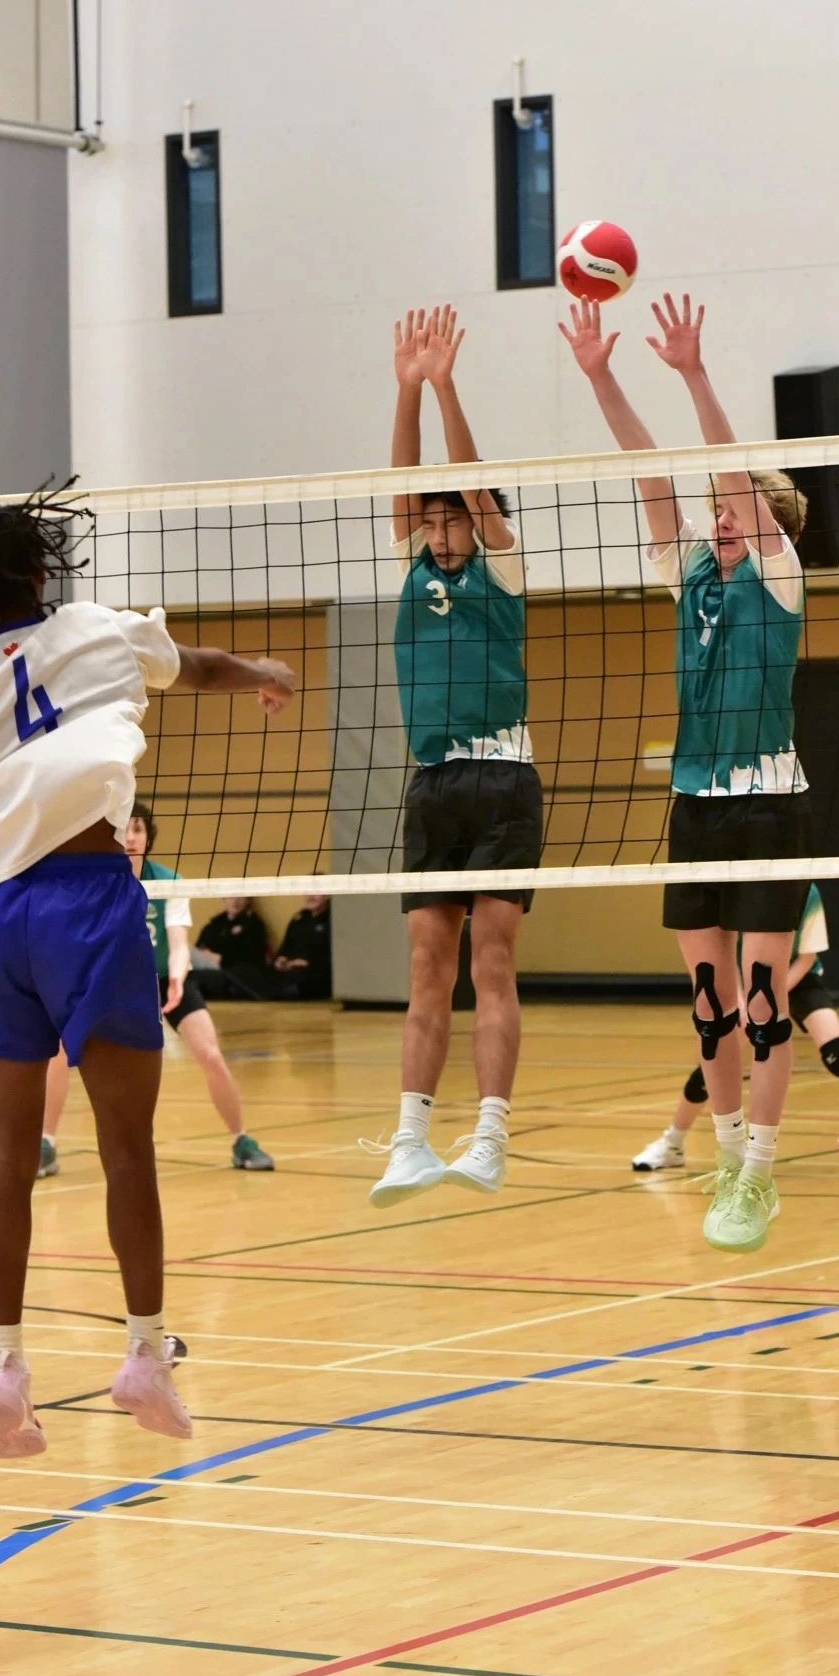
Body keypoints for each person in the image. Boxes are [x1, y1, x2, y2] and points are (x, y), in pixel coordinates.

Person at [0, 488, 294, 1458]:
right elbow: (200, 665)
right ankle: (143, 1356)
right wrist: (264, 671)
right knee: (128, 1148)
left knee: (6, 1153)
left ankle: (2, 1366)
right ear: (44, 571)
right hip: (88, 903)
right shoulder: (98, 630)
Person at [562, 292, 807, 1253]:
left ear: (768, 524)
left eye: (736, 511)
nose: (720, 519)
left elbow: (725, 469)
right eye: (717, 513)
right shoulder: (690, 573)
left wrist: (695, 373)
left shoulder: (778, 575)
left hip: (770, 803)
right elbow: (647, 470)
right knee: (710, 1004)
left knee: (764, 999)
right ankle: (727, 1155)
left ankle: (760, 1171)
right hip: (695, 803)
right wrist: (599, 375)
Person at [367, 304, 541, 1208]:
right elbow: (402, 484)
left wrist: (444, 385)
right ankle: (409, 1141)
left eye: (454, 519)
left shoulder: (501, 569)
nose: (439, 532)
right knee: (425, 970)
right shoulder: (413, 569)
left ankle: (490, 1139)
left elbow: (469, 485)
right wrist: (404, 387)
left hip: (502, 777)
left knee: (491, 966)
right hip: (432, 783)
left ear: (479, 522)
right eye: (430, 522)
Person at [41, 804, 274, 1173]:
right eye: (125, 829)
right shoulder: (95, 880)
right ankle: (46, 1143)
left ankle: (241, 1140)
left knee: (211, 1054)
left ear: (148, 836)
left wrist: (179, 977)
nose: (131, 837)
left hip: (164, 978)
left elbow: (179, 943)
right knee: (58, 1051)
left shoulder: (168, 880)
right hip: (107, 978)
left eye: (138, 829)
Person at [633, 884, 839, 1174]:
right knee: (711, 1062)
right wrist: (742, 1001)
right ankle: (673, 1142)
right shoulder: (728, 888)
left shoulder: (806, 892)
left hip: (796, 981)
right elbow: (724, 957)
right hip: (745, 987)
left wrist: (767, 1001)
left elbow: (806, 959)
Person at [193, 895, 272, 999]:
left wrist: (221, 959)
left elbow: (253, 957)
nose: (236, 901)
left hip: (236, 976)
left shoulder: (254, 925)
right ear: (223, 898)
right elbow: (199, 948)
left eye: (241, 897)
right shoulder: (213, 925)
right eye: (231, 897)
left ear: (248, 900)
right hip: (209, 969)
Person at [271, 893, 331, 999]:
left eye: (316, 893)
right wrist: (281, 958)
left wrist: (308, 963)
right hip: (290, 971)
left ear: (327, 896)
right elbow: (285, 946)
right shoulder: (298, 919)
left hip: (316, 974)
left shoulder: (333, 919)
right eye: (307, 892)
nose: (310, 897)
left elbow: (337, 956)